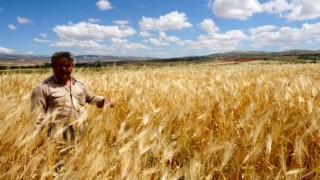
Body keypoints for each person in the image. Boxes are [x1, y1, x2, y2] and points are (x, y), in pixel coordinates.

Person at [31, 51, 114, 141]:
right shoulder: (42, 88)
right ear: (52, 66)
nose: (63, 69)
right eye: (59, 65)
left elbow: (90, 98)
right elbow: (38, 116)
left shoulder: (79, 85)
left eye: (67, 65)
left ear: (72, 67)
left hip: (81, 131)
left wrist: (103, 100)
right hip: (57, 136)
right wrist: (36, 139)